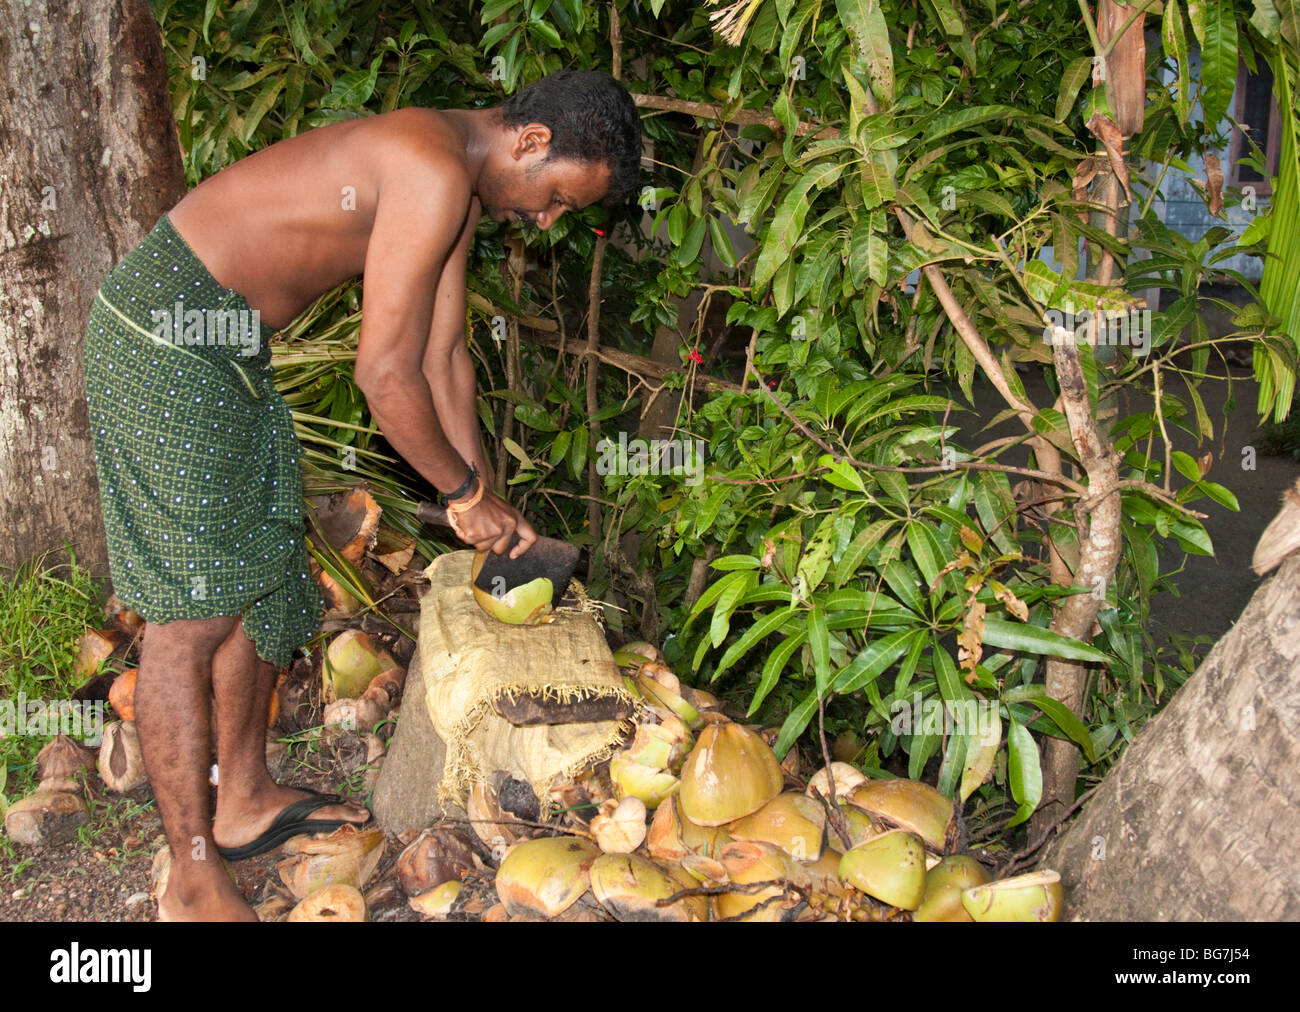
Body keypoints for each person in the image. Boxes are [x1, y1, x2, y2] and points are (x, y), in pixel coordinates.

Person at [82, 69, 642, 921]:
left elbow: (443, 357)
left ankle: (242, 803)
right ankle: (193, 883)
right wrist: (458, 494)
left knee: (268, 578)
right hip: (162, 338)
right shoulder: (431, 169)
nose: (549, 219)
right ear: (531, 142)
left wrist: (489, 498)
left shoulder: (459, 182)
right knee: (189, 621)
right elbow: (383, 376)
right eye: (559, 196)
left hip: (229, 351)